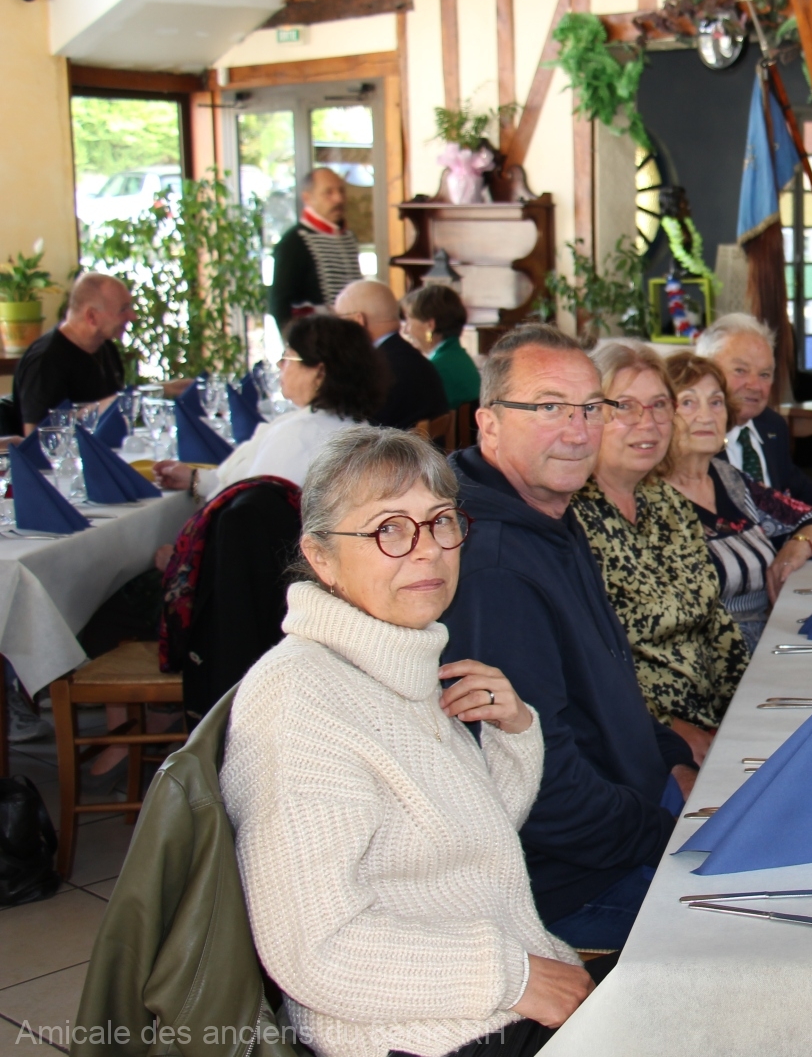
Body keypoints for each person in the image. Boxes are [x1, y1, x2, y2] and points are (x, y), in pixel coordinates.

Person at [221, 427, 595, 1057]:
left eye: (440, 520)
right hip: (422, 1035)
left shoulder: (393, 656)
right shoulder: (299, 700)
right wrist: (514, 977)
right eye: (388, 529)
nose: (426, 551)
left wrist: (514, 737)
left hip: (485, 1002)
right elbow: (314, 949)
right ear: (320, 557)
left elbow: (465, 851)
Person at [439, 324, 697, 952]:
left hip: (621, 821)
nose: (579, 432)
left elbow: (603, 689)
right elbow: (540, 790)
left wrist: (673, 759)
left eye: (590, 408)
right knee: (777, 923)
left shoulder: (546, 512)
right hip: (569, 885)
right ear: (489, 423)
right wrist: (669, 834)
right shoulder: (496, 566)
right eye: (549, 407)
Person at [569, 341, 751, 766]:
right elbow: (587, 664)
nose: (647, 423)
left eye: (659, 405)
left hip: (712, 722)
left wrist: (747, 709)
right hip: (636, 743)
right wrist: (667, 731)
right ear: (590, 415)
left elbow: (715, 623)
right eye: (625, 407)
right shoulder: (571, 519)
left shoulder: (668, 504)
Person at [661, 351, 812, 651]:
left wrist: (798, 545)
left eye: (716, 402)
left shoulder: (729, 479)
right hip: (712, 659)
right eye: (688, 402)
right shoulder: (650, 498)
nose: (706, 416)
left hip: (768, 641)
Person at [153, 315, 384, 499]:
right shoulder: (354, 428)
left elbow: (249, 509)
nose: (280, 364)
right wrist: (196, 479)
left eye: (288, 357)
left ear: (319, 372)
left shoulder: (298, 436)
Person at [696, 313, 812, 509]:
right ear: (706, 372)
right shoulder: (693, 438)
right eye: (740, 371)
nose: (755, 386)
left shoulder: (771, 425)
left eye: (765, 374)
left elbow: (802, 496)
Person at [12, 272, 132, 427]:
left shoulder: (106, 348)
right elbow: (37, 436)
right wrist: (109, 404)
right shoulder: (45, 361)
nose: (132, 316)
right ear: (91, 316)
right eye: (123, 309)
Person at [336, 279, 448, 430]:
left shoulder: (380, 369)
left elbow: (360, 430)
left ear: (358, 320)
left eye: (340, 320)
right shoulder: (409, 356)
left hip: (394, 445)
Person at [268, 168, 363, 330]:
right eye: (328, 193)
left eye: (341, 191)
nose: (339, 199)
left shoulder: (348, 237)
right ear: (307, 198)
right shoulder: (294, 242)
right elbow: (280, 303)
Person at [401, 282, 481, 409]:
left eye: (409, 321)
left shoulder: (435, 369)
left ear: (430, 325)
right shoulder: (457, 356)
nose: (406, 330)